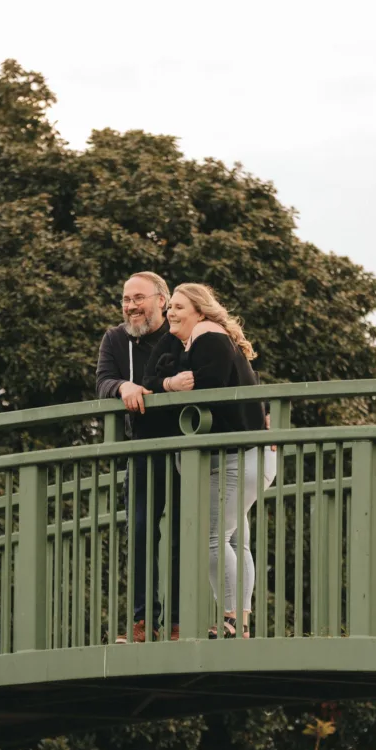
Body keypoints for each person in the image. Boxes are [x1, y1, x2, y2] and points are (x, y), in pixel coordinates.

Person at [144, 283, 274, 638]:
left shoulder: (208, 336)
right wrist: (169, 384)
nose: (172, 312)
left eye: (180, 307)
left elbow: (211, 387)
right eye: (171, 307)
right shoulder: (185, 340)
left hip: (238, 456)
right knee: (234, 540)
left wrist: (176, 386)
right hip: (243, 455)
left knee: (211, 537)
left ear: (200, 310)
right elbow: (148, 379)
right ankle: (240, 623)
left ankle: (232, 617)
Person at [96, 271, 181, 642]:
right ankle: (144, 622)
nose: (130, 306)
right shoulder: (115, 339)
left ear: (161, 300)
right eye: (126, 299)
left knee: (182, 534)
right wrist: (123, 386)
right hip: (142, 449)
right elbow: (102, 382)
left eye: (138, 298)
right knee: (143, 532)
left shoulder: (182, 333)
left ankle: (178, 622)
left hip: (185, 449)